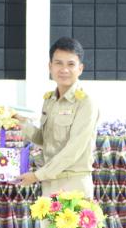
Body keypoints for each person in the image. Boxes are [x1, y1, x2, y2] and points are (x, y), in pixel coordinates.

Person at [14, 37, 100, 200]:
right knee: (45, 220)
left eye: (71, 64)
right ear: (50, 67)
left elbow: (74, 149)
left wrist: (37, 176)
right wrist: (21, 123)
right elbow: (44, 139)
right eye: (58, 63)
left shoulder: (86, 103)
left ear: (80, 68)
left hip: (74, 184)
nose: (64, 69)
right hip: (49, 182)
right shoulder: (50, 100)